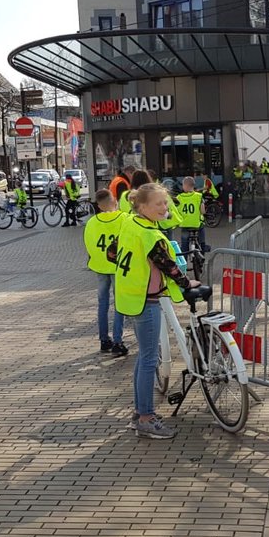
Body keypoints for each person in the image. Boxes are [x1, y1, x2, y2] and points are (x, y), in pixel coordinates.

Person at [108, 183, 199, 440]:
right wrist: (187, 283)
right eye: (158, 203)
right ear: (143, 206)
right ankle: (146, 419)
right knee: (149, 359)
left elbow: (112, 253)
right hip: (146, 300)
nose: (164, 207)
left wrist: (136, 267)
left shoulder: (130, 223)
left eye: (165, 202)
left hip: (130, 297)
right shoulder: (151, 235)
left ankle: (140, 413)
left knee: (144, 357)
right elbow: (168, 265)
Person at [84, 188, 128, 358]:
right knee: (119, 304)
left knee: (102, 303)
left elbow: (88, 244)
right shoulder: (124, 218)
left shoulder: (92, 222)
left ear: (99, 205)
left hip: (100, 266)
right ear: (114, 201)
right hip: (117, 266)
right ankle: (118, 341)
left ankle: (104, 339)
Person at [175, 176, 207, 254]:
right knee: (201, 237)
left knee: (184, 245)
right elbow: (203, 211)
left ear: (185, 186)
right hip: (196, 225)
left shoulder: (179, 198)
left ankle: (184, 258)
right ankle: (202, 251)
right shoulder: (199, 196)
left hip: (185, 225)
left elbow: (176, 212)